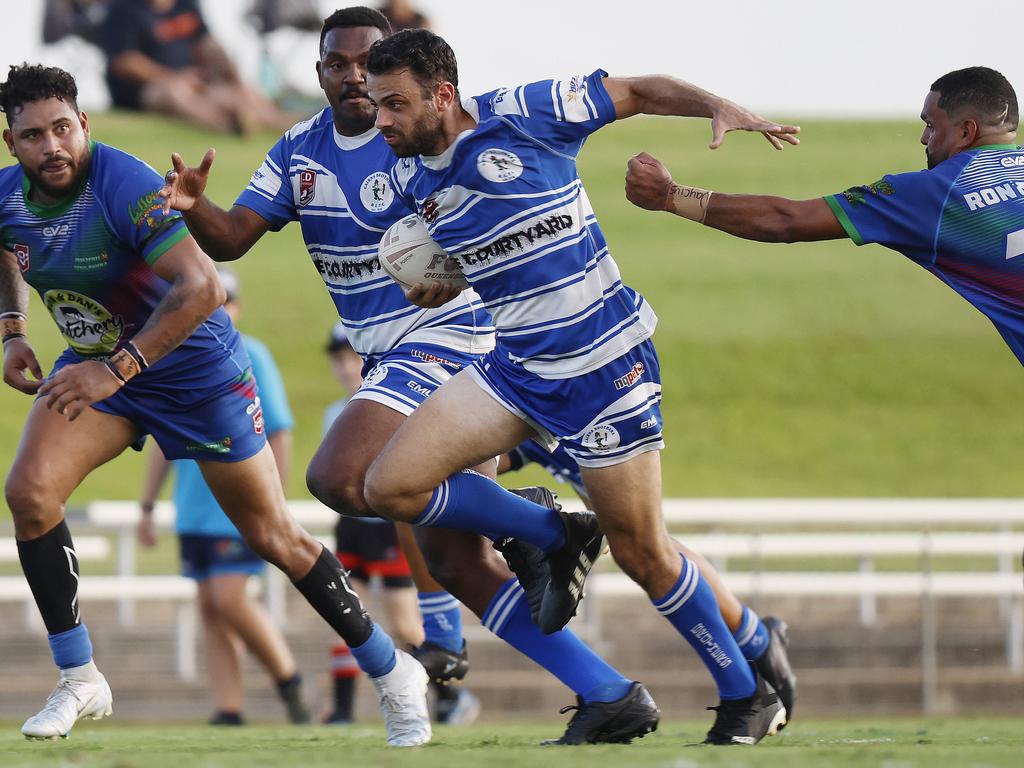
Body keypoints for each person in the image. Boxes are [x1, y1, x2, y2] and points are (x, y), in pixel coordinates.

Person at [160, 7, 661, 746]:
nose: (353, 75)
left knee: (340, 475)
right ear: (321, 73)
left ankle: (549, 529)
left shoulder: (416, 143)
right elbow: (233, 239)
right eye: (337, 63)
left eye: (368, 62)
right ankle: (608, 692)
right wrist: (199, 209)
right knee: (453, 558)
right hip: (387, 353)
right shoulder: (299, 150)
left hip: (452, 336)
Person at [362, 29, 800, 745]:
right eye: (378, 104)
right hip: (517, 368)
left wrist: (717, 106)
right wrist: (431, 284)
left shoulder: (527, 111)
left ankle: (746, 693)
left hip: (603, 367)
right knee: (389, 487)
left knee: (644, 553)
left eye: (396, 104)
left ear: (443, 95)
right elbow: (471, 266)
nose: (383, 120)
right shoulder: (412, 177)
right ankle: (552, 532)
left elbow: (639, 91)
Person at [0, 63, 429, 746]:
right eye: (32, 136)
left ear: (84, 124)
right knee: (28, 493)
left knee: (274, 537)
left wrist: (120, 368)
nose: (51, 146)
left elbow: (201, 288)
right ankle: (78, 677)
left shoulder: (127, 186)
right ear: (10, 143)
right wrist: (14, 333)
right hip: (102, 367)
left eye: (61, 129)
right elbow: (10, 252)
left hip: (193, 371)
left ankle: (391, 670)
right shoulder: (7, 196)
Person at [624, 68, 1022, 399]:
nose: (923, 139)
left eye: (931, 127)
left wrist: (669, 196)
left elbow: (785, 221)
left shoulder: (933, 193)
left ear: (967, 131)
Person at [136, 267, 310, 727]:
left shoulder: (250, 354)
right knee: (210, 607)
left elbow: (279, 431)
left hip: (236, 505)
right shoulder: (168, 353)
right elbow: (160, 441)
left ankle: (289, 680)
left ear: (236, 306)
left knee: (231, 599)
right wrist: (149, 505)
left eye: (225, 302)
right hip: (193, 507)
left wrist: (273, 499)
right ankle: (229, 707)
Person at [322, 322, 478, 726]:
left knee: (403, 620)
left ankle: (447, 695)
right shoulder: (335, 414)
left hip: (390, 524)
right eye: (338, 360)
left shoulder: (397, 404)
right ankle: (342, 710)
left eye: (351, 358)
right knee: (342, 611)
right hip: (352, 526)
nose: (344, 368)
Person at [98, 0, 291, 135]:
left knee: (231, 93)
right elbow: (124, 62)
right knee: (174, 93)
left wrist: (234, 78)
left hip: (193, 80)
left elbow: (206, 43)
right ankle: (228, 126)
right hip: (146, 89)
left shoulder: (186, 4)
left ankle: (288, 125)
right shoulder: (123, 9)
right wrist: (174, 77)